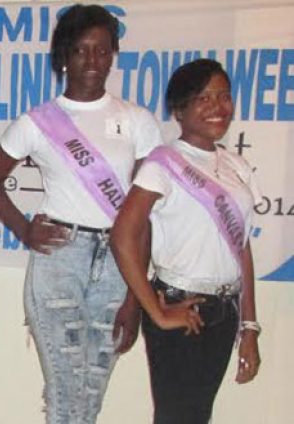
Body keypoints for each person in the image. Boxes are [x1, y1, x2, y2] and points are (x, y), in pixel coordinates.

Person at [0, 4, 164, 423]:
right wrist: (25, 230)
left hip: (120, 262)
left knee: (93, 391)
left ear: (113, 54)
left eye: (102, 51)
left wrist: (137, 299)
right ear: (64, 57)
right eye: (81, 51)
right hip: (61, 257)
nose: (93, 61)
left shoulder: (138, 121)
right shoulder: (38, 122)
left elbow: (143, 217)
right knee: (65, 388)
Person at [111, 58, 261, 423]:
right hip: (183, 306)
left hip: (224, 312)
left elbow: (241, 246)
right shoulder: (164, 162)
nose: (218, 107)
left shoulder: (236, 166)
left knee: (197, 416)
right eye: (204, 98)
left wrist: (249, 326)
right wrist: (156, 310)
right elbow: (123, 236)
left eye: (224, 96)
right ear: (179, 109)